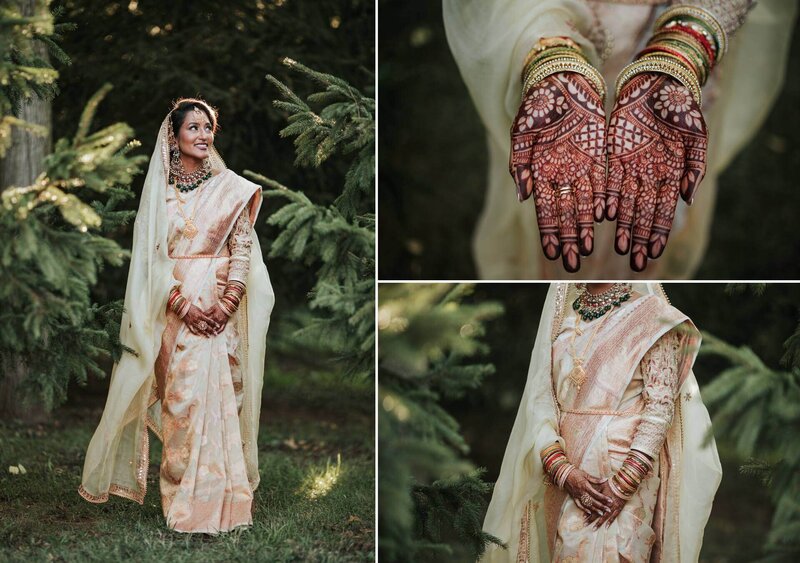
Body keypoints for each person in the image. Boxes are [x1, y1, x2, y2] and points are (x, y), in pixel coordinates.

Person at [444, 0, 796, 278]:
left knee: (656, 204)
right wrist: (552, 58)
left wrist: (683, 49)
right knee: (558, 198)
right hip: (551, 19)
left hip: (680, 31)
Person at [78, 98, 275, 534]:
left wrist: (227, 302)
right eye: (194, 128)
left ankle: (224, 498)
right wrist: (184, 306)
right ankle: (180, 494)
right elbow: (152, 260)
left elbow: (241, 248)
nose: (204, 135)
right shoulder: (160, 195)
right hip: (174, 311)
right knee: (180, 402)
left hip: (222, 308)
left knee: (222, 398)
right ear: (175, 136)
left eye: (209, 128)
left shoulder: (231, 189)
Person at [482, 283, 721, 562]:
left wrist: (622, 485)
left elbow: (660, 408)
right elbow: (542, 401)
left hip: (621, 482)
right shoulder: (562, 321)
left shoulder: (654, 317)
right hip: (564, 479)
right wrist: (561, 470)